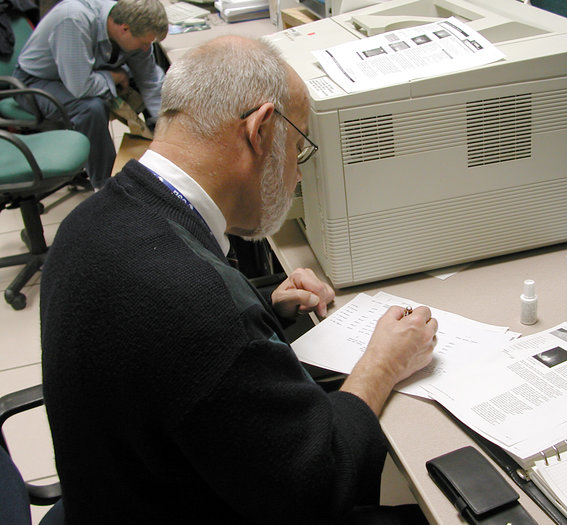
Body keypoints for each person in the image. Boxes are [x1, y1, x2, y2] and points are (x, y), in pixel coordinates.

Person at [40, 36, 439, 524]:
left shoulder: (90, 220)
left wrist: (263, 309)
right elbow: (320, 486)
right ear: (261, 131)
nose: (295, 175)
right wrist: (382, 365)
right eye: (299, 147)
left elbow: (163, 344)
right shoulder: (197, 305)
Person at [12, 0, 168, 189]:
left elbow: (150, 82)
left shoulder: (130, 27)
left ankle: (158, 165)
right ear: (124, 29)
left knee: (141, 88)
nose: (146, 48)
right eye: (144, 43)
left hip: (82, 74)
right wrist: (112, 77)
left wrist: (164, 127)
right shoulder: (74, 20)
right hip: (37, 82)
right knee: (92, 108)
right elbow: (80, 87)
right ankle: (106, 187)